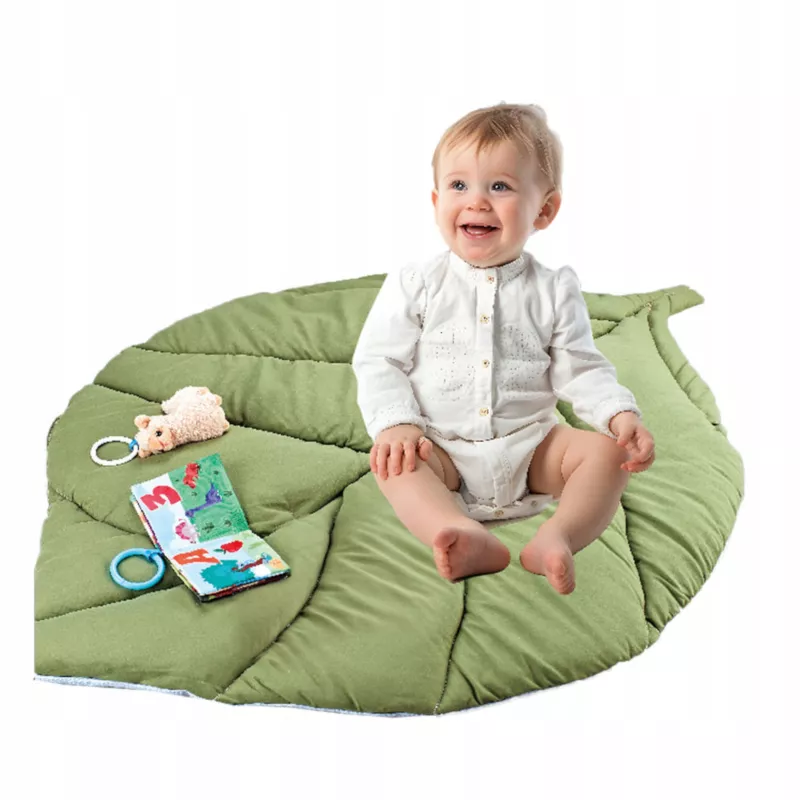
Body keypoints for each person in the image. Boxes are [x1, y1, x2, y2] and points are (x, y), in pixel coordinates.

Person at [351, 102, 655, 594]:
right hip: (442, 449)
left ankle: (557, 537)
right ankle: (457, 530)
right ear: (435, 201)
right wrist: (397, 424)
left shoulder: (554, 288)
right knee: (395, 463)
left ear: (545, 210)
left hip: (533, 450)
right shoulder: (417, 283)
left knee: (606, 456)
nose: (476, 202)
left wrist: (618, 415)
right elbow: (379, 359)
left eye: (499, 187)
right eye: (458, 185)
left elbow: (580, 368)